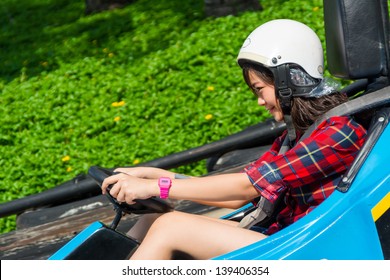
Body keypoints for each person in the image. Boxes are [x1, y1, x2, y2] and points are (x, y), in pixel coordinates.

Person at [101, 19, 367, 260]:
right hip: (282, 234)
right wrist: (155, 175)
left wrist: (155, 188)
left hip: (310, 249)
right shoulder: (298, 136)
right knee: (155, 219)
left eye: (260, 90)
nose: (260, 101)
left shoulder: (337, 134)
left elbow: (245, 187)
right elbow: (235, 197)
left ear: (289, 81)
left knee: (171, 228)